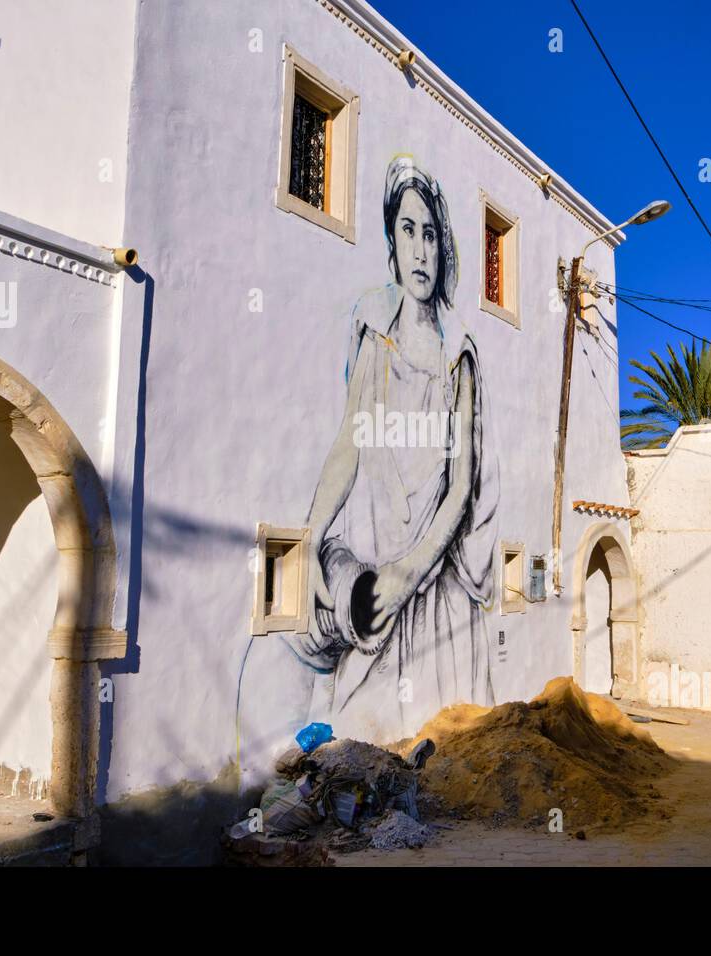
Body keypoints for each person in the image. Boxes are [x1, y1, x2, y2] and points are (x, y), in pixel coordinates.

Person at [289, 156, 499, 741]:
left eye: (430, 233)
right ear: (391, 241)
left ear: (444, 246)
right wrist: (309, 540)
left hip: (430, 589)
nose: (421, 251)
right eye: (408, 231)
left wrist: (410, 571)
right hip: (375, 586)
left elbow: (460, 486)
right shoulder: (374, 339)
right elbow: (348, 445)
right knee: (359, 735)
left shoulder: (459, 355)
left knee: (436, 741)